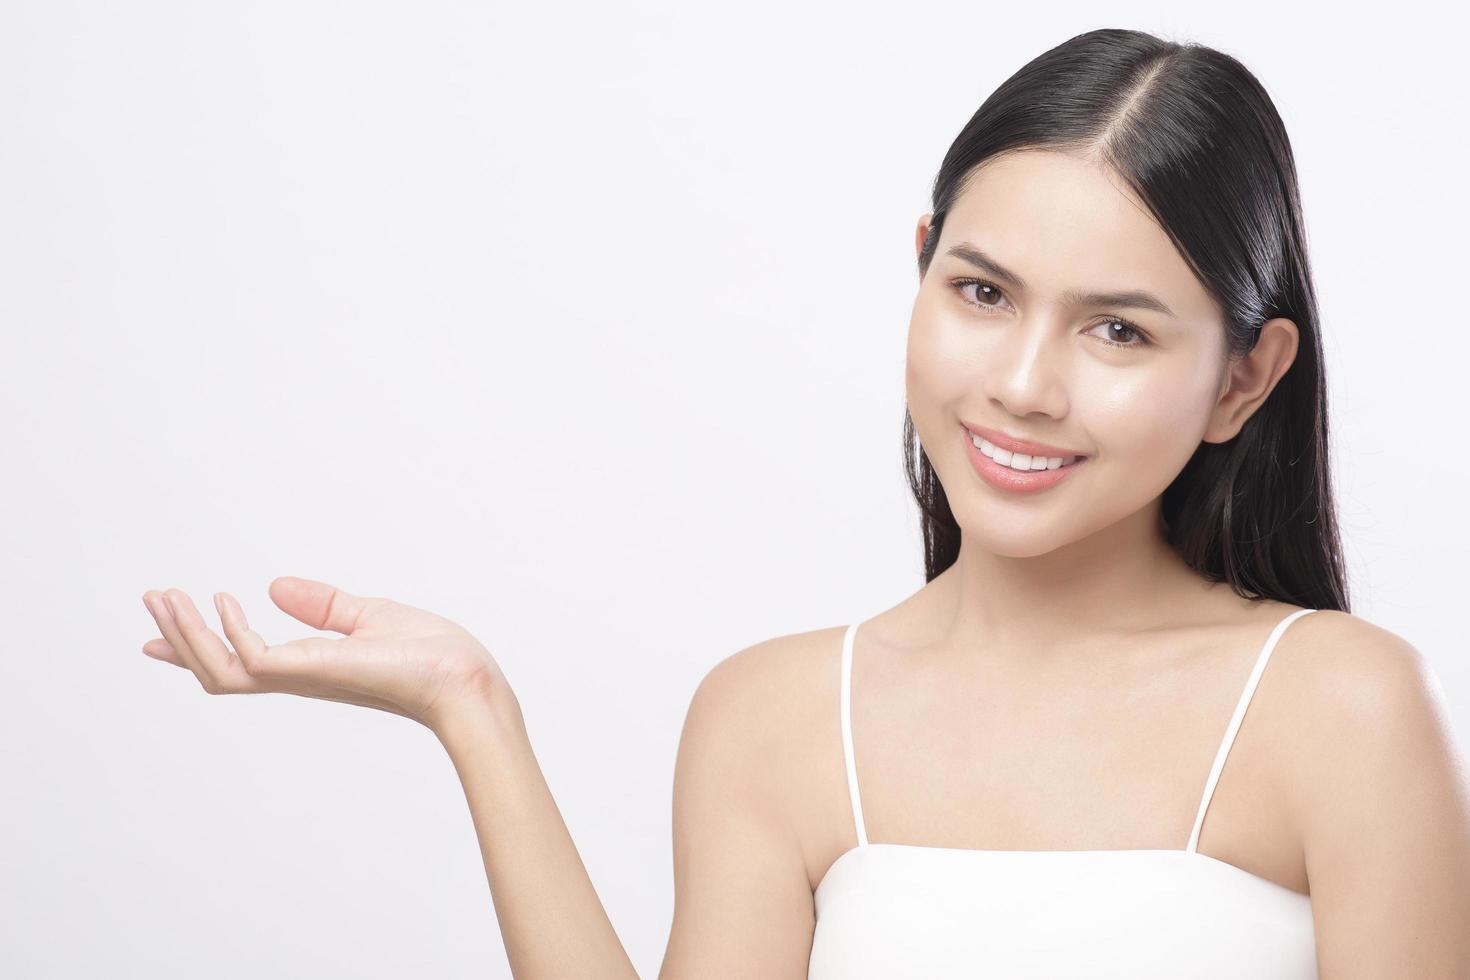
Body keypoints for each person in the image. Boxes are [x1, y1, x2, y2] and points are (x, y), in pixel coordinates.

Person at [138, 26, 1470, 979]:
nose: (1020, 384)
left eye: (1114, 332)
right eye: (980, 291)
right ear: (918, 268)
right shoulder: (771, 716)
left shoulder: (1338, 707)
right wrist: (471, 712)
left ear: (1243, 380)